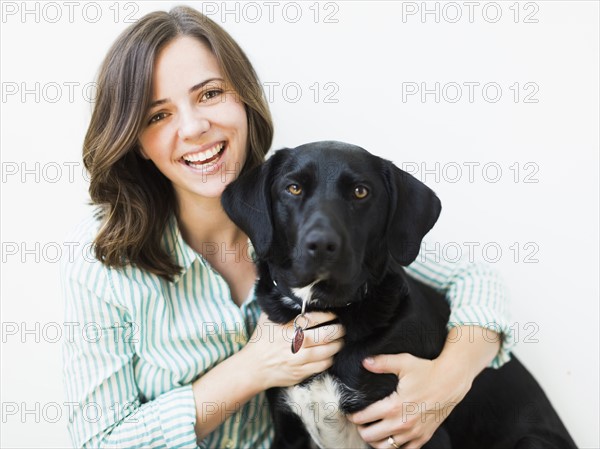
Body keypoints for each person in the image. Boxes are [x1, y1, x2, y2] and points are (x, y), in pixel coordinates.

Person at [61, 6, 514, 449]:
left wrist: (444, 382)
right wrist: (251, 369)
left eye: (210, 94)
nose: (195, 126)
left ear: (244, 99)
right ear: (133, 139)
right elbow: (100, 440)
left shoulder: (297, 203)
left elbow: (474, 281)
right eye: (158, 115)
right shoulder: (104, 258)